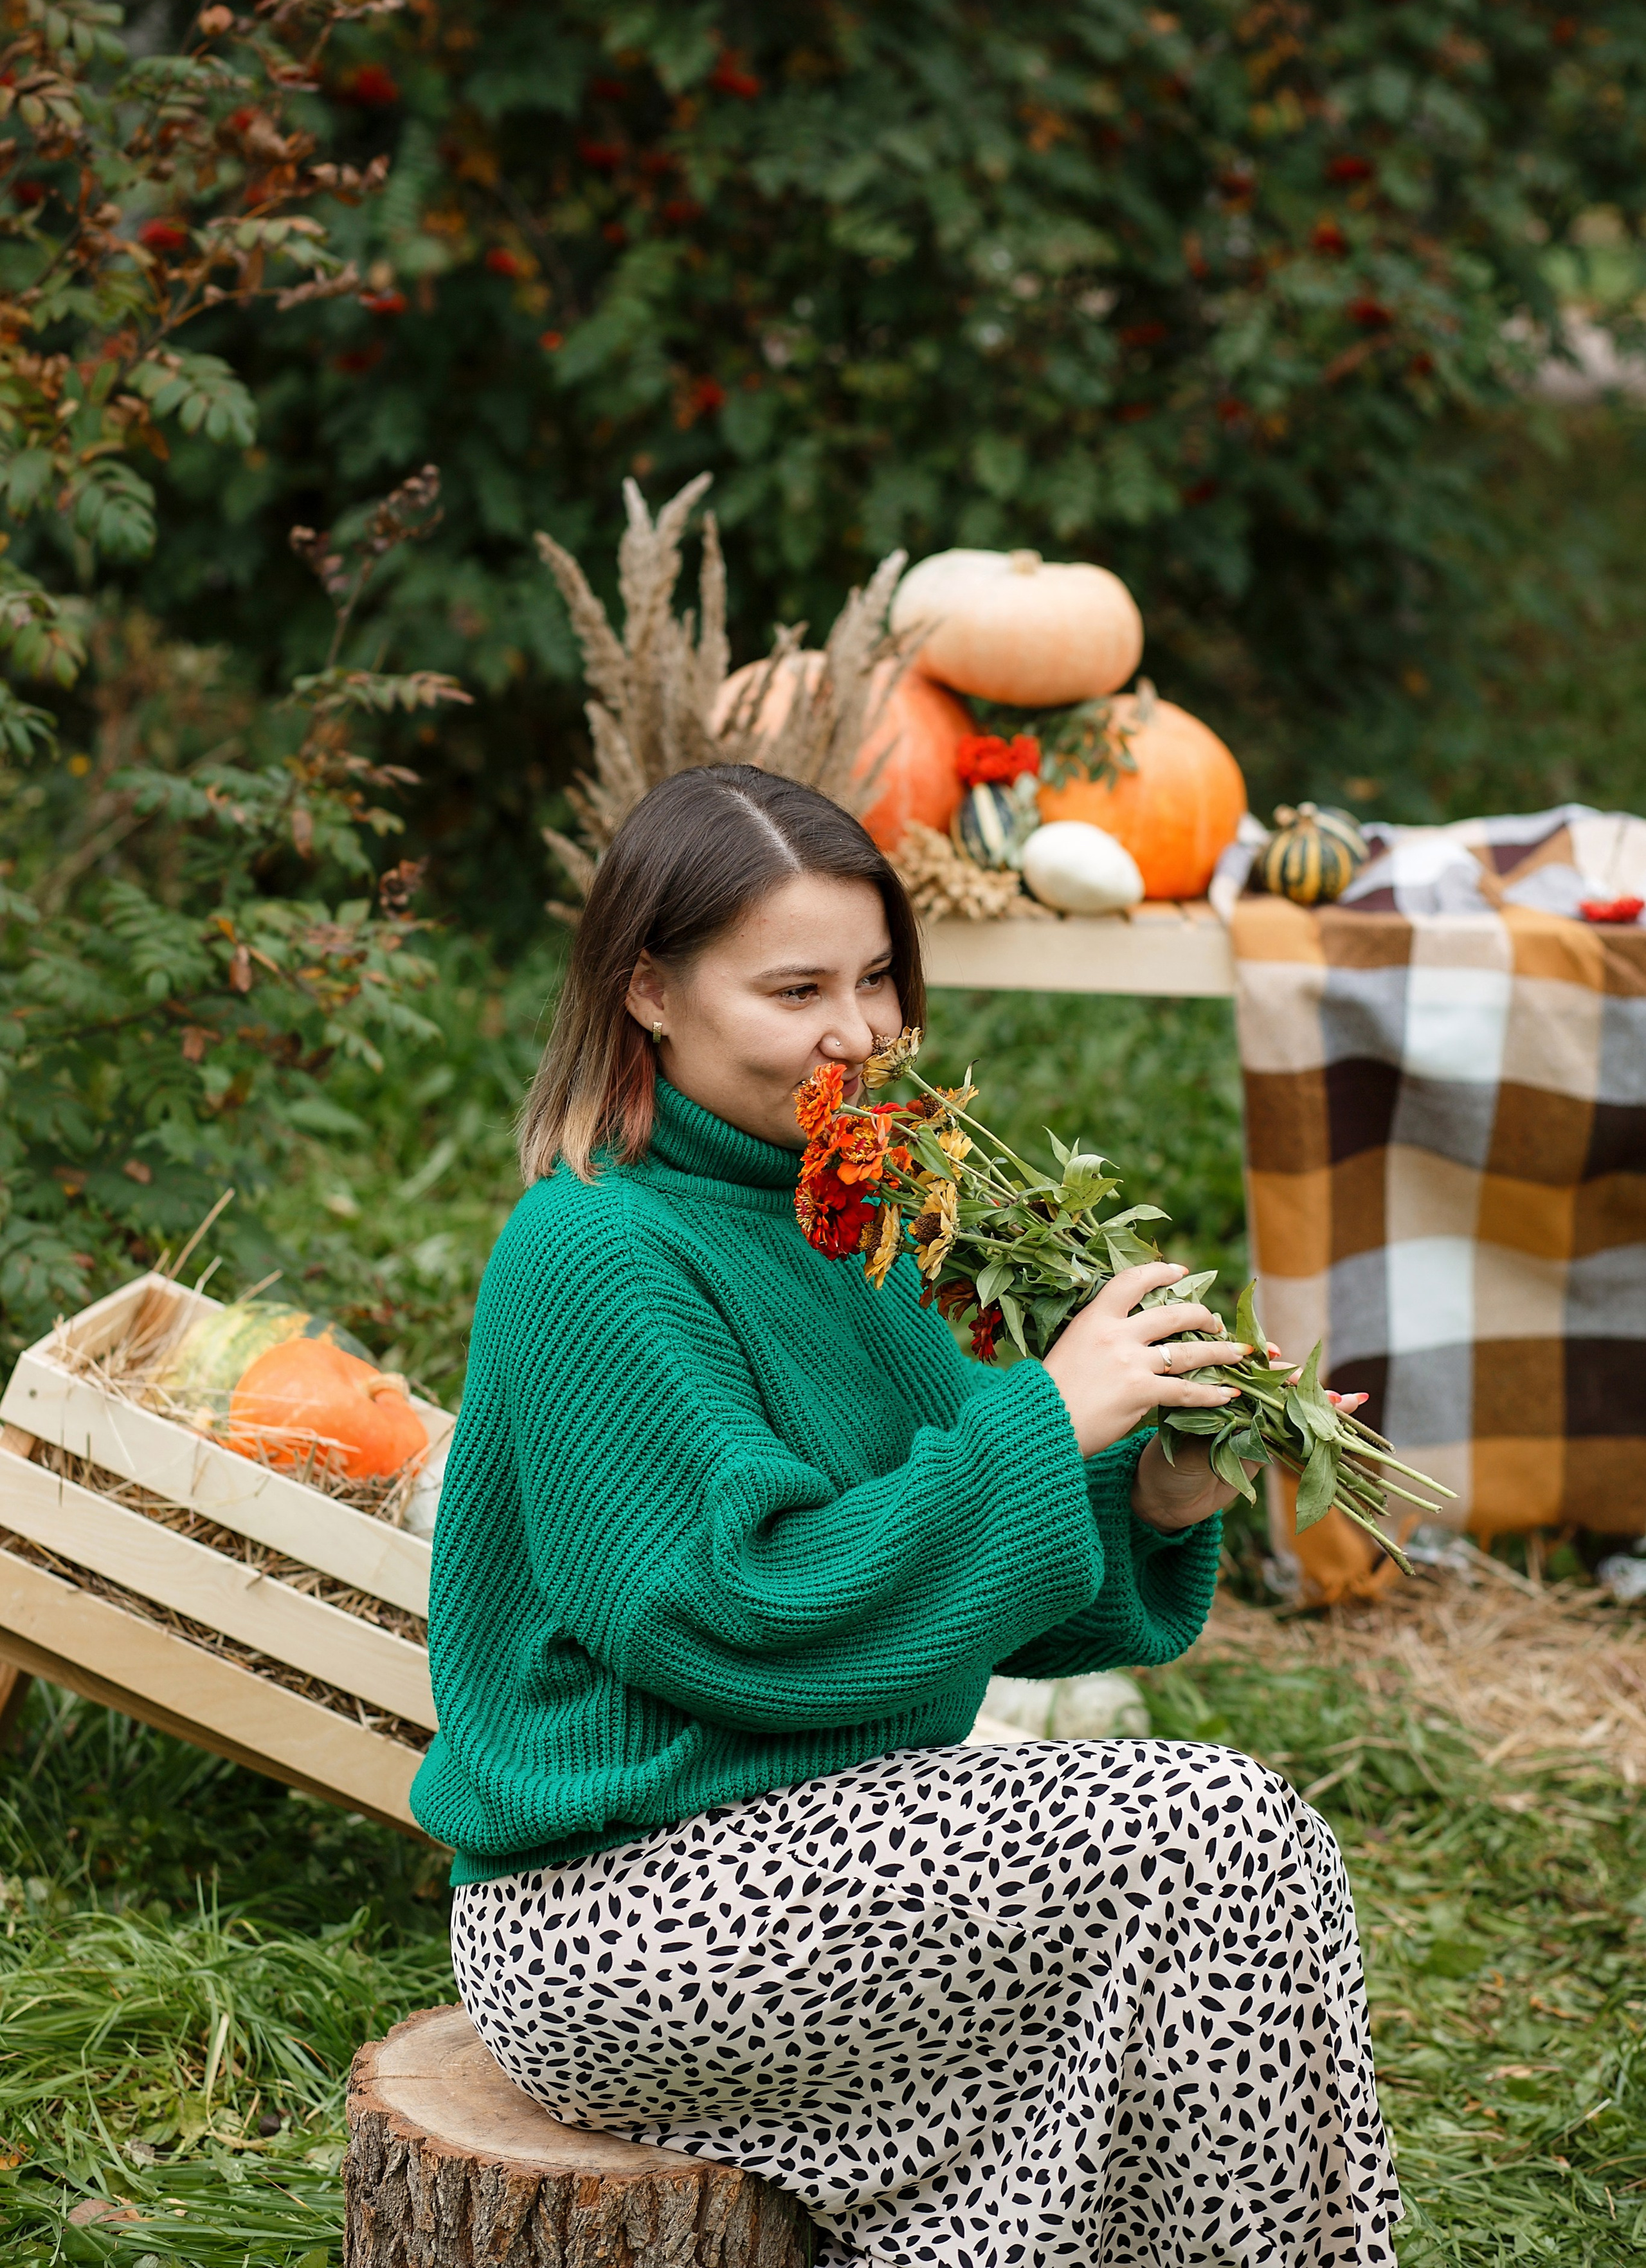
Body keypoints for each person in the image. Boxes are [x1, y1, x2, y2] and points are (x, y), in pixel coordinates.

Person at [412, 762, 1399, 2268]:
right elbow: (731, 1611)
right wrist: (1040, 1418)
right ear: (650, 995)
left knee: (1231, 1872)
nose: (857, 1031)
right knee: (1209, 1833)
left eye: (877, 978)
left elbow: (950, 1579)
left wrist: (1142, 1490)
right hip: (615, 1911)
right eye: (794, 986)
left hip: (821, 1852)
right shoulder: (593, 1247)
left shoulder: (849, 1219)